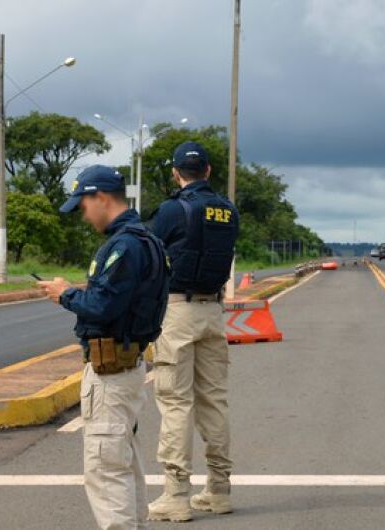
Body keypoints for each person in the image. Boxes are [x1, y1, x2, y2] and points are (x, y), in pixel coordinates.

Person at [38, 165, 169, 530]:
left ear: (101, 197)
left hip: (111, 373)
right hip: (129, 366)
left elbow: (101, 307)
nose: (82, 212)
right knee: (123, 464)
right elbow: (117, 299)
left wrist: (65, 293)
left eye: (83, 203)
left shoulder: (123, 246)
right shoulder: (147, 240)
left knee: (106, 471)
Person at [147, 141, 239, 522]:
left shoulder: (172, 210)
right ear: (209, 170)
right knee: (214, 400)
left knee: (175, 401)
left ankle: (176, 494)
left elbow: (150, 254)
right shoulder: (228, 211)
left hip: (178, 311)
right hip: (214, 311)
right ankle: (219, 489)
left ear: (175, 172)